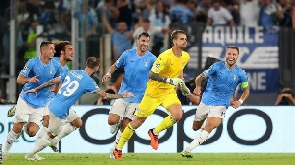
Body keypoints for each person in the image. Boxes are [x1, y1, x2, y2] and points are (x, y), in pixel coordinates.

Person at [24, 57, 134, 161]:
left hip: (54, 103)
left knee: (78, 122)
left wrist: (36, 89)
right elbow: (106, 95)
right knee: (50, 135)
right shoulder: (89, 81)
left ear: (86, 64)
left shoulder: (72, 72)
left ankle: (54, 141)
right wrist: (122, 96)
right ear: (97, 68)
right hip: (59, 111)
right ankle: (31, 154)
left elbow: (53, 81)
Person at [112, 30, 191, 160]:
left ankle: (154, 132)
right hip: (153, 93)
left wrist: (182, 85)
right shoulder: (164, 56)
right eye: (182, 39)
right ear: (174, 41)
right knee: (137, 121)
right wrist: (170, 80)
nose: (185, 41)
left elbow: (179, 70)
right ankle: (118, 148)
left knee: (177, 115)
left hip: (168, 92)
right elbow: (152, 74)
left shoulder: (186, 56)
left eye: (185, 39)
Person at [180, 45, 250, 158]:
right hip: (206, 101)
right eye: (229, 54)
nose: (231, 56)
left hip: (222, 104)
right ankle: (207, 126)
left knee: (211, 125)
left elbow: (246, 92)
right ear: (225, 55)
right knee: (195, 127)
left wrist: (240, 101)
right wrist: (197, 87)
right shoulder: (216, 67)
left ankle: (187, 150)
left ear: (237, 56)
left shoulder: (241, 74)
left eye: (234, 54)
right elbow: (199, 77)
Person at [2, 41, 62, 160]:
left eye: (54, 49)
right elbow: (19, 80)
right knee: (17, 127)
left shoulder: (56, 65)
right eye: (51, 49)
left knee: (32, 133)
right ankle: (4, 153)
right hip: (26, 98)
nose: (54, 51)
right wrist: (29, 80)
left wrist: (56, 93)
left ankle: (22, 121)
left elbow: (59, 80)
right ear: (43, 50)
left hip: (41, 103)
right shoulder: (32, 63)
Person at [101, 32, 156, 159]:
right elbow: (115, 65)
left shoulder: (152, 59)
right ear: (138, 41)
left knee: (126, 125)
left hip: (138, 98)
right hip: (123, 94)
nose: (145, 44)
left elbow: (157, 74)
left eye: (147, 42)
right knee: (112, 120)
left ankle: (114, 148)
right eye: (143, 41)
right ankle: (116, 122)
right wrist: (109, 73)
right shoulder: (127, 54)